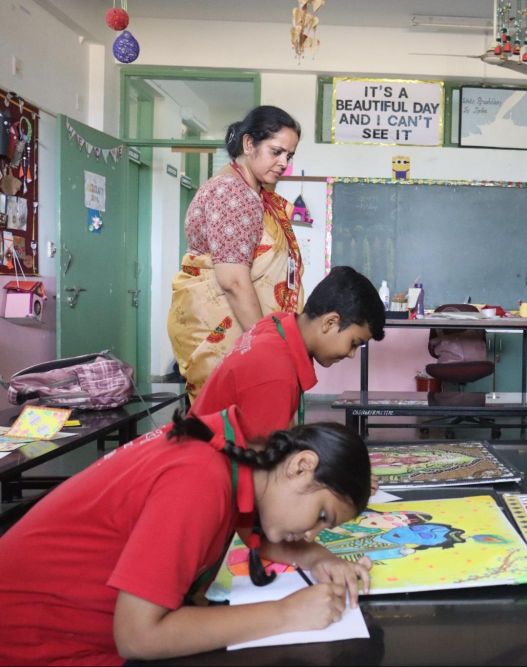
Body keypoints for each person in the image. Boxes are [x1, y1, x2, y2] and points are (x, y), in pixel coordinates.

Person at [0, 407, 374, 665]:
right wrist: (286, 613)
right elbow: (138, 637)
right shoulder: (199, 481)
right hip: (32, 646)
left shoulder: (232, 454)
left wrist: (317, 557)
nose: (311, 532)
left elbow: (252, 525)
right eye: (321, 515)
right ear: (301, 465)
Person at [168, 105, 304, 402]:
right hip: (224, 327)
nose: (284, 163)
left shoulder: (250, 191)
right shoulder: (233, 193)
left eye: (289, 156)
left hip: (237, 324)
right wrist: (264, 345)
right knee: (232, 422)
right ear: (249, 144)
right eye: (276, 151)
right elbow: (233, 281)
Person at [191, 266, 386, 443]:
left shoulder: (277, 325)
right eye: (353, 343)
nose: (351, 355)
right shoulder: (275, 370)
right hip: (200, 471)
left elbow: (281, 429)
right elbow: (267, 467)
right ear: (330, 322)